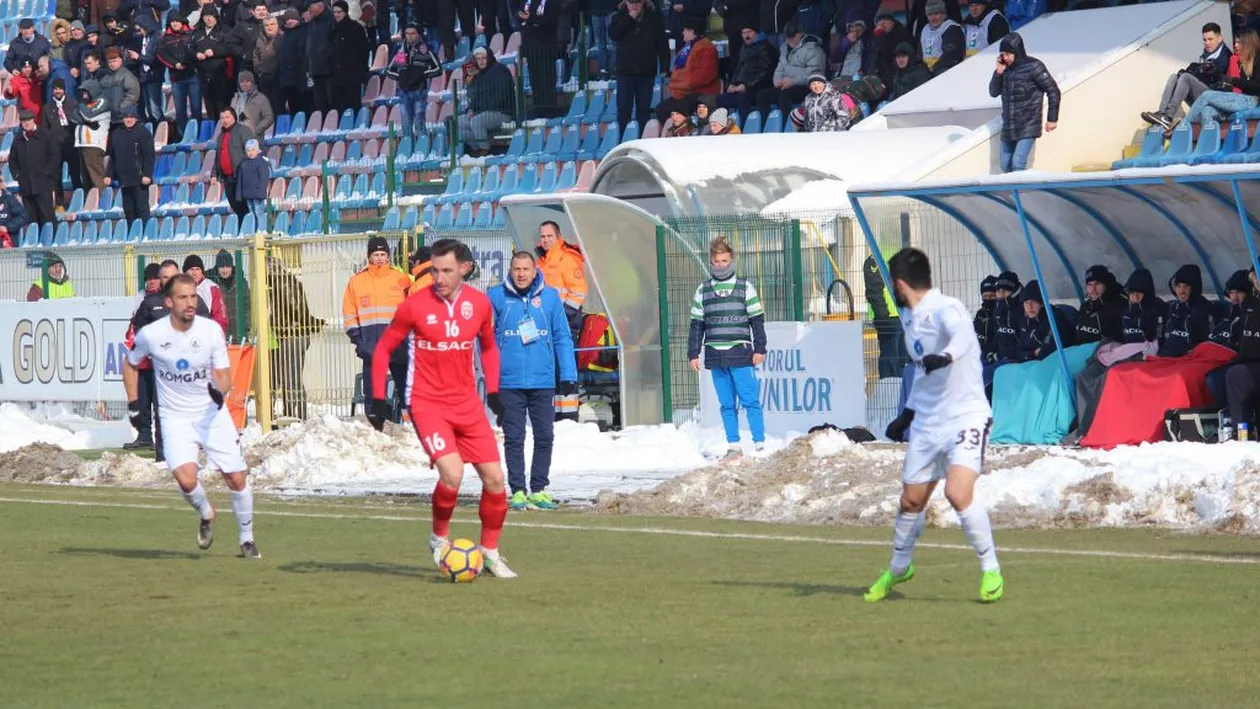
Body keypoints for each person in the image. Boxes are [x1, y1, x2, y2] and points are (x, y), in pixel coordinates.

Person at [367, 238, 517, 578]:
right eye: (434, 270)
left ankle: (490, 552)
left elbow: (490, 349)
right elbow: (383, 350)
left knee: (496, 480)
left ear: (464, 269)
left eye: (446, 270)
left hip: (467, 403)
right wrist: (377, 398)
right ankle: (438, 538)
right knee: (453, 473)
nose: (439, 277)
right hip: (427, 402)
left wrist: (493, 393)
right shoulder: (414, 306)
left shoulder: (479, 304)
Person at [868, 247, 1003, 604]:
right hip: (928, 421)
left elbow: (962, 337)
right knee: (911, 502)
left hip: (966, 416)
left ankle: (991, 570)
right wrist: (908, 415)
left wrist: (944, 355)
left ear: (899, 284)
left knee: (957, 493)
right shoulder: (911, 320)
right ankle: (899, 567)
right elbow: (925, 376)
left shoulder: (948, 308)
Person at [123, 274, 261, 559]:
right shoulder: (152, 334)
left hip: (212, 415)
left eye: (193, 297)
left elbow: (224, 375)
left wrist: (218, 392)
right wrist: (134, 403)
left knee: (236, 478)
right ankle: (206, 512)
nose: (190, 303)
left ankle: (247, 539)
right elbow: (131, 363)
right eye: (183, 297)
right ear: (169, 301)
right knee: (186, 481)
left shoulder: (210, 331)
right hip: (174, 419)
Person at [488, 251, 578, 512]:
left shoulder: (549, 298)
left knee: (545, 436)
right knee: (514, 437)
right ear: (511, 270)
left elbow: (562, 336)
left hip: (542, 380)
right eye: (516, 268)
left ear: (534, 269)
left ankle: (538, 489)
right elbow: (485, 339)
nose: (521, 274)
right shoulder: (495, 296)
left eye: (526, 268)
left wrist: (568, 374)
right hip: (509, 381)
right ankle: (518, 490)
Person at [687, 236, 767, 461]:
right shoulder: (703, 290)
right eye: (717, 261)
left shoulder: (745, 287)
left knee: (750, 399)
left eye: (724, 260)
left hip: (740, 352)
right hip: (715, 354)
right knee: (726, 404)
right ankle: (733, 445)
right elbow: (697, 325)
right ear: (711, 262)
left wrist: (760, 348)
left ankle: (760, 444)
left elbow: (756, 320)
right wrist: (693, 353)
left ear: (731, 260)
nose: (721, 265)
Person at [343, 236, 412, 421]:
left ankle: (410, 428)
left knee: (405, 388)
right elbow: (349, 316)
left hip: (399, 345)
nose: (380, 258)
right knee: (373, 391)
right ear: (369, 257)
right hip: (372, 347)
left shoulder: (402, 280)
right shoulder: (356, 282)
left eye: (383, 254)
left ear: (388, 256)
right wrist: (359, 342)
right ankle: (375, 427)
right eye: (376, 254)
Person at [1141, 22, 1233, 131]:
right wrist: (1193, 70)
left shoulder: (1225, 55)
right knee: (1174, 77)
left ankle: (1169, 116)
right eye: (1204, 40)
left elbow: (1218, 77)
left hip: (1214, 98)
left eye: (1210, 39)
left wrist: (1199, 72)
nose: (1207, 43)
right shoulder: (1207, 53)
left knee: (1185, 77)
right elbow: (1202, 75)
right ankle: (1162, 113)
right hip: (1203, 93)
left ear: (1219, 38)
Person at [988, 32, 1059, 173]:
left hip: (1028, 123)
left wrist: (1052, 119)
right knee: (1005, 165)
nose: (1005, 58)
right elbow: (993, 92)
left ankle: (1021, 194)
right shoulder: (1003, 70)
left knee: (1017, 164)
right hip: (1009, 125)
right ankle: (1014, 194)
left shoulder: (1034, 66)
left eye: (1008, 54)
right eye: (1002, 54)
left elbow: (1053, 91)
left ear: (1016, 52)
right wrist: (998, 73)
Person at [608, 0, 671, 129]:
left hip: (646, 71)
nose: (635, 6)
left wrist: (664, 66)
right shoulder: (618, 16)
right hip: (625, 71)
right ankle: (622, 140)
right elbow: (613, 34)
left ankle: (643, 139)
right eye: (631, 3)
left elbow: (662, 44)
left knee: (644, 110)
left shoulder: (654, 17)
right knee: (624, 108)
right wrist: (630, 18)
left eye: (638, 3)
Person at [389, 22, 442, 144]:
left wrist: (423, 76)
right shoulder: (400, 50)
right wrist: (401, 78)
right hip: (403, 92)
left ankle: (422, 147)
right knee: (406, 124)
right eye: (407, 33)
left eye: (412, 33)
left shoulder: (425, 50)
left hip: (419, 91)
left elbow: (438, 69)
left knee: (419, 122)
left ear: (418, 34)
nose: (410, 36)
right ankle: (408, 149)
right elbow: (389, 70)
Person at [8, 109, 61, 228]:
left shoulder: (45, 135)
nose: (26, 123)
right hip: (26, 186)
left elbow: (55, 156)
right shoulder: (18, 139)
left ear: (33, 120)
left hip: (43, 184)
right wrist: (17, 175)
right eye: (23, 121)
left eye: (28, 120)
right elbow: (12, 160)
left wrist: (47, 173)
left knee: (47, 217)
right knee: (32, 220)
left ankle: (51, 243)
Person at [104, 105, 155, 223]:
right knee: (128, 211)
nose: (129, 119)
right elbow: (113, 157)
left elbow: (149, 156)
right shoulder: (117, 133)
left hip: (140, 178)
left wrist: (147, 174)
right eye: (126, 117)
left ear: (136, 118)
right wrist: (108, 175)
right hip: (124, 179)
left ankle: (144, 236)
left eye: (131, 117)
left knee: (142, 209)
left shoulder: (144, 133)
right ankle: (131, 236)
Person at [211, 107, 257, 219]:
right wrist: (214, 174)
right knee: (235, 205)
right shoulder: (220, 136)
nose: (224, 120)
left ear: (234, 117)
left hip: (241, 175)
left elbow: (252, 151)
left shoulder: (243, 131)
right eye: (222, 118)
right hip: (227, 177)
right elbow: (218, 157)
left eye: (227, 117)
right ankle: (243, 229)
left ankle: (251, 228)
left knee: (245, 204)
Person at [42, 78, 82, 206]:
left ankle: (79, 199)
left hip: (71, 144)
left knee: (75, 173)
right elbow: (45, 128)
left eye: (59, 88)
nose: (57, 91)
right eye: (55, 88)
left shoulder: (73, 103)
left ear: (64, 89)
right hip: (55, 146)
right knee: (56, 176)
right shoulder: (47, 108)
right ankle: (59, 203)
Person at [1159, 264, 1212, 358]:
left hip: (1188, 359)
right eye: (1178, 286)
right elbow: (1163, 336)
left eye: (1186, 286)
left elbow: (1206, 340)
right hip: (1165, 356)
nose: (1181, 291)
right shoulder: (1172, 307)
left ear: (1194, 288)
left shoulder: (1202, 309)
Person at [159, 13, 201, 132]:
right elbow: (161, 55)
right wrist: (174, 64)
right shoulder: (165, 38)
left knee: (196, 109)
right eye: (172, 21)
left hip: (193, 76)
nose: (175, 23)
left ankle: (197, 134)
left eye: (177, 21)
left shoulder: (191, 33)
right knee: (180, 111)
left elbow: (196, 50)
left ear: (182, 22)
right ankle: (183, 136)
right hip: (176, 79)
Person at [329, 1, 370, 115]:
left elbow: (364, 49)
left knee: (354, 104)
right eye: (334, 12)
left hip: (353, 74)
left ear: (345, 12)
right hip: (337, 75)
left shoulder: (355, 27)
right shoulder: (333, 29)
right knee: (339, 107)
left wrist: (361, 68)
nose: (336, 15)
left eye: (339, 12)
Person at [74, 79, 112, 190]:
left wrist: (81, 110)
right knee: (86, 179)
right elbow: (73, 117)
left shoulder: (102, 102)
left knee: (96, 177)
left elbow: (89, 116)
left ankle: (101, 202)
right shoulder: (85, 105)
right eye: (83, 93)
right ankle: (90, 203)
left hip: (94, 144)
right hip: (81, 144)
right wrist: (86, 121)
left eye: (86, 92)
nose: (84, 96)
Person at [1073, 265, 1124, 345]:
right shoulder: (1085, 306)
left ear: (1106, 284)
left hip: (1107, 354)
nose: (1093, 289)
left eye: (1097, 284)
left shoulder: (1119, 306)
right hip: (1082, 353)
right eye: (1089, 284)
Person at [209, 249, 252, 342]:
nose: (225, 270)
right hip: (220, 334)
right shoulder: (211, 283)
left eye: (228, 267)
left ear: (232, 266)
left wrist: (247, 326)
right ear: (217, 268)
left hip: (240, 333)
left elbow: (248, 305)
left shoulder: (241, 282)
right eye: (221, 267)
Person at [184, 254, 231, 335]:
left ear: (202, 271)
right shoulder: (177, 287)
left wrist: (211, 333)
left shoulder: (211, 287)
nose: (194, 273)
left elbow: (220, 316)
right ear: (185, 272)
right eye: (191, 269)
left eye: (197, 269)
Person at [917, 0, 963, 73]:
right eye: (930, 15)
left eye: (936, 14)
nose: (933, 18)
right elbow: (919, 55)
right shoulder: (925, 30)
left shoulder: (951, 28)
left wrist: (934, 70)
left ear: (944, 14)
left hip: (945, 70)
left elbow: (950, 56)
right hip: (926, 71)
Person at [236, 138, 270, 230]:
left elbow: (263, 179)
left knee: (259, 212)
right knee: (252, 213)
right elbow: (240, 180)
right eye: (248, 150)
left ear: (257, 149)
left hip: (257, 194)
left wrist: (260, 192)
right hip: (248, 194)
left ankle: (262, 230)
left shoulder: (261, 162)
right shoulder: (244, 163)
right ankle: (254, 230)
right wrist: (239, 195)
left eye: (253, 150)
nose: (250, 153)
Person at [230, 71, 274, 137]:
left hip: (255, 139)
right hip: (237, 139)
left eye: (247, 81)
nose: (244, 84)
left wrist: (256, 130)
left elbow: (269, 117)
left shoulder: (261, 98)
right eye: (242, 82)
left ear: (252, 83)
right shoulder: (235, 99)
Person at [973, 275, 998, 358]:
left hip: (994, 356)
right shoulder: (980, 313)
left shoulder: (1002, 314)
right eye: (985, 296)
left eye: (992, 296)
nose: (988, 299)